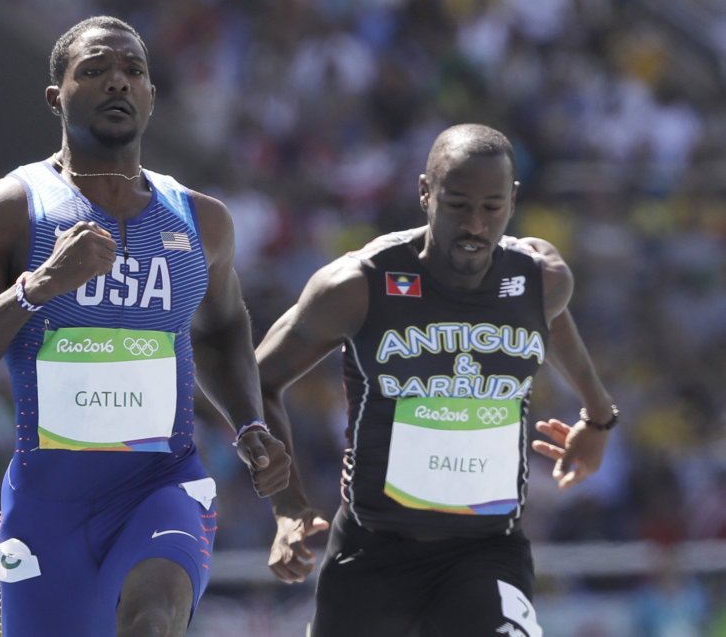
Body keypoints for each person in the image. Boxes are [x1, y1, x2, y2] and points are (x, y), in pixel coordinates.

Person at [0, 15, 289, 637]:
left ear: (151, 95)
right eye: (94, 70)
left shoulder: (202, 221)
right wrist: (37, 289)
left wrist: (249, 422)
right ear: (55, 97)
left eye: (132, 71)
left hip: (162, 483)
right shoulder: (9, 209)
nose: (118, 82)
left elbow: (222, 332)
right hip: (47, 510)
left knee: (152, 619)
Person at [257, 123, 617, 636]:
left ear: (512, 202)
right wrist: (287, 505)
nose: (474, 224)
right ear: (425, 192)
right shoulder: (360, 285)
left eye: (491, 208)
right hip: (371, 554)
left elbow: (551, 319)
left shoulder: (540, 278)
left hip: (485, 552)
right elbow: (256, 384)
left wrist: (598, 415)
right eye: (457, 205)